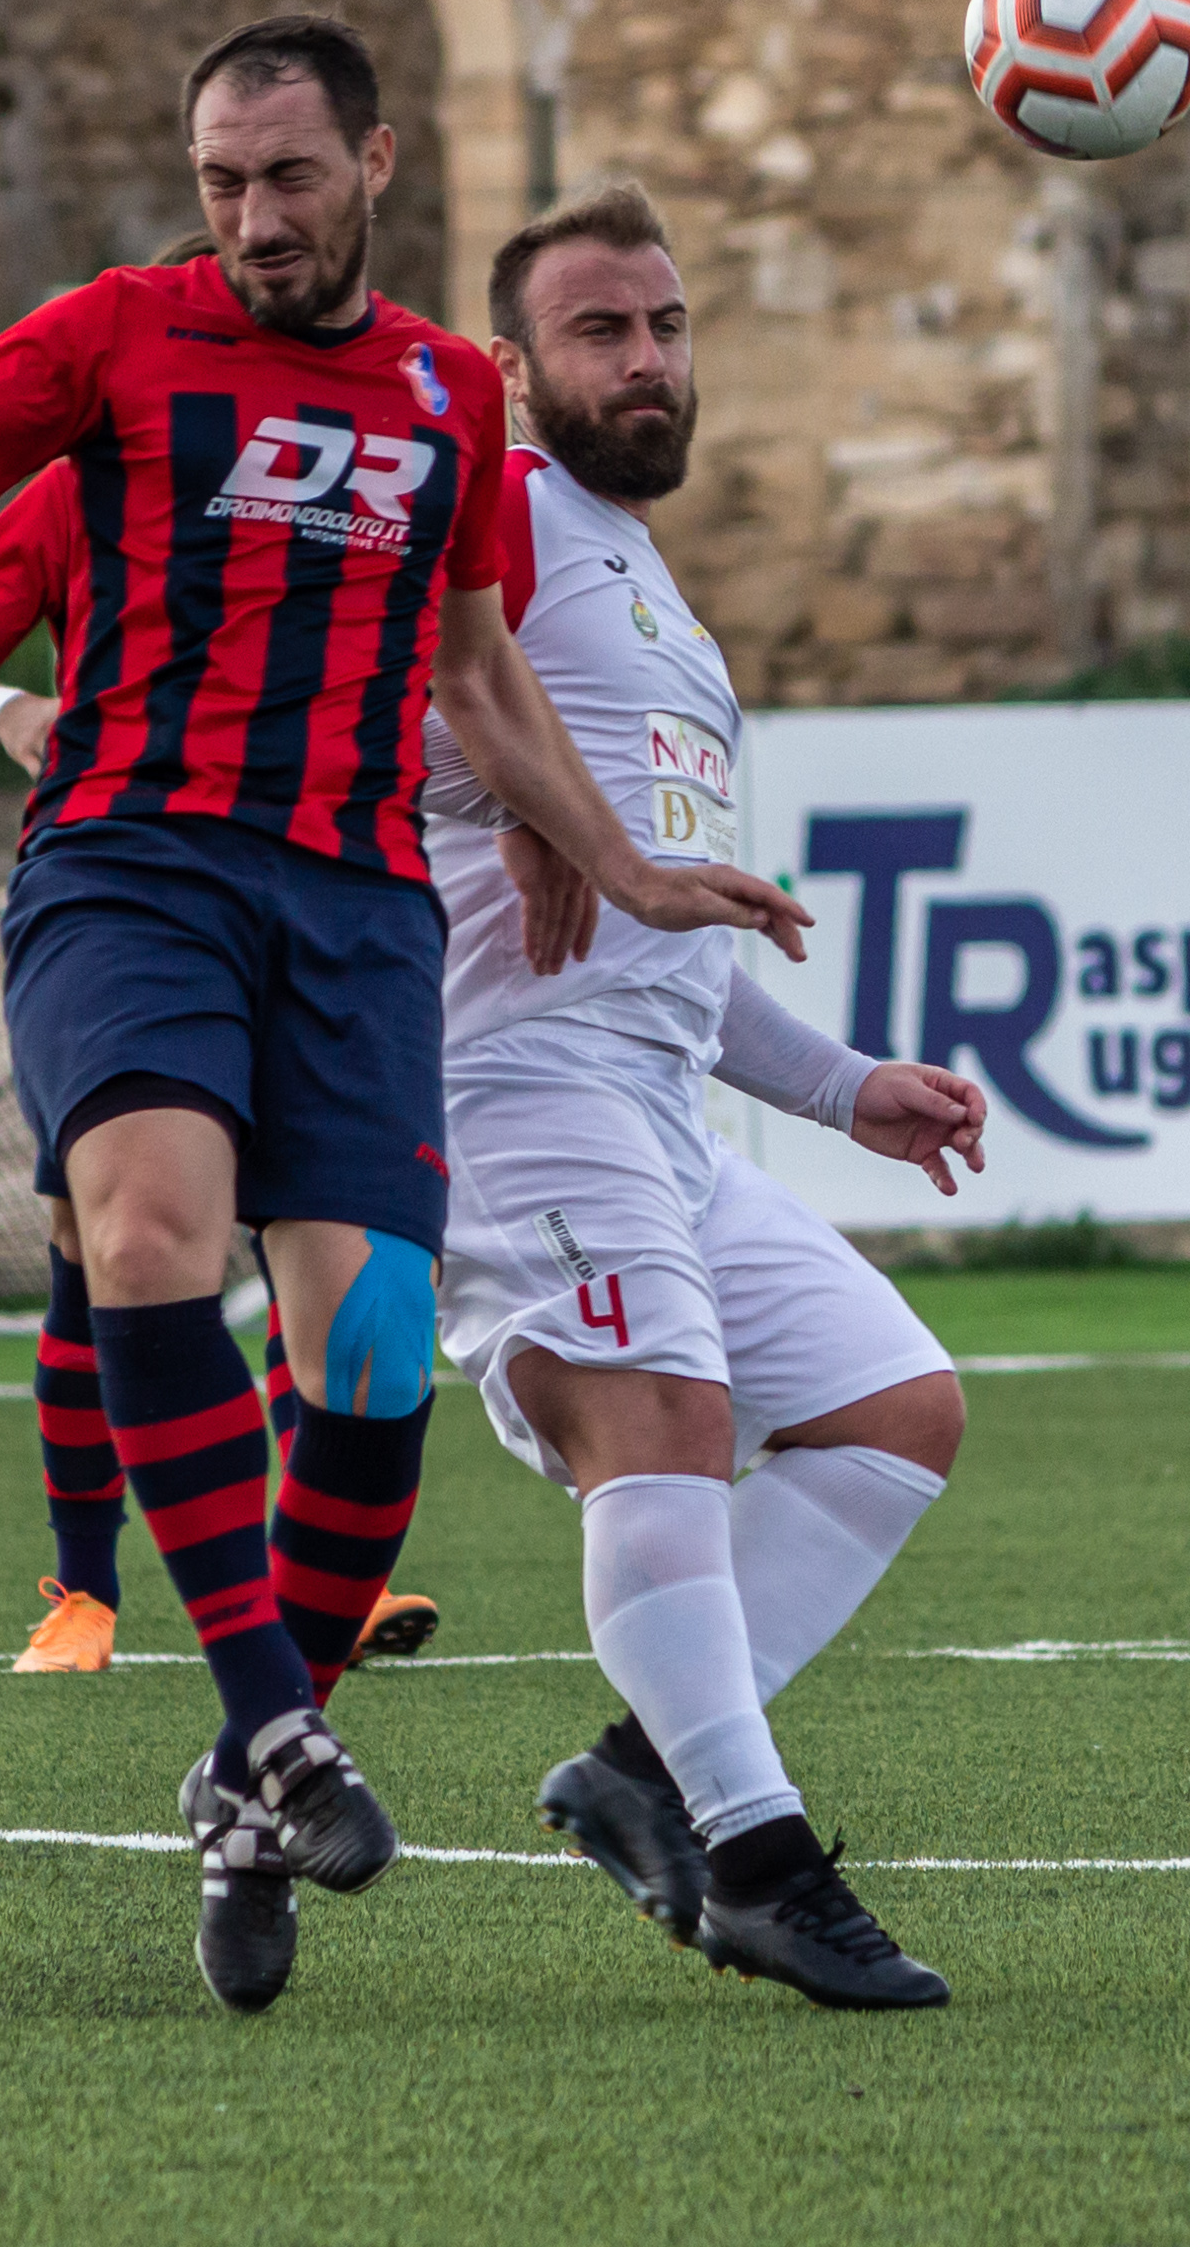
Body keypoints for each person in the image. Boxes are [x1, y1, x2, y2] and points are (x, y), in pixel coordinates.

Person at [0, 14, 807, 2012]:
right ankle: (279, 1728)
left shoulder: (445, 395)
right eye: (220, 182)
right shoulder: (115, 335)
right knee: (144, 1233)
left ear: (374, 165)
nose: (251, 218)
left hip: (355, 903)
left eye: (288, 178)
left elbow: (476, 673)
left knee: (373, 1350)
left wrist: (631, 864)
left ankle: (240, 1794)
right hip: (134, 865)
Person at [424, 184, 979, 2008]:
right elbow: (375, 702)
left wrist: (843, 1086)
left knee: (890, 1408)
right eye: (600, 329)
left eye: (665, 325)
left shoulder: (647, 582)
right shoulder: (495, 508)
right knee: (655, 1419)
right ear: (511, 368)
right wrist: (507, 793)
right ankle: (758, 1858)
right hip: (508, 1087)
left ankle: (644, 1772)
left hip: (656, 1105)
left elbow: (660, 926)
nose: (647, 359)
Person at [0, 230, 439, 1679]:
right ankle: (83, 1585)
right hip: (130, 896)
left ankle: (308, 1578)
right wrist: (13, 712)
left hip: (315, 889)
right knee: (104, 1250)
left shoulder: (358, 468)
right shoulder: (89, 480)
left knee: (319, 1238)